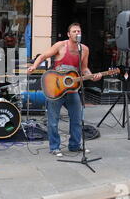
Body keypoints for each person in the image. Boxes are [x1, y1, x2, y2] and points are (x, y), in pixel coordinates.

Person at [28, 23, 102, 157]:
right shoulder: (61, 46)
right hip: (56, 89)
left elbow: (84, 68)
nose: (77, 33)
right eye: (74, 31)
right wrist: (34, 66)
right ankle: (55, 147)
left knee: (77, 119)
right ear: (68, 34)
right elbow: (43, 56)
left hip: (72, 90)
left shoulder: (84, 49)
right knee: (53, 121)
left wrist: (92, 76)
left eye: (79, 31)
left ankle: (74, 146)